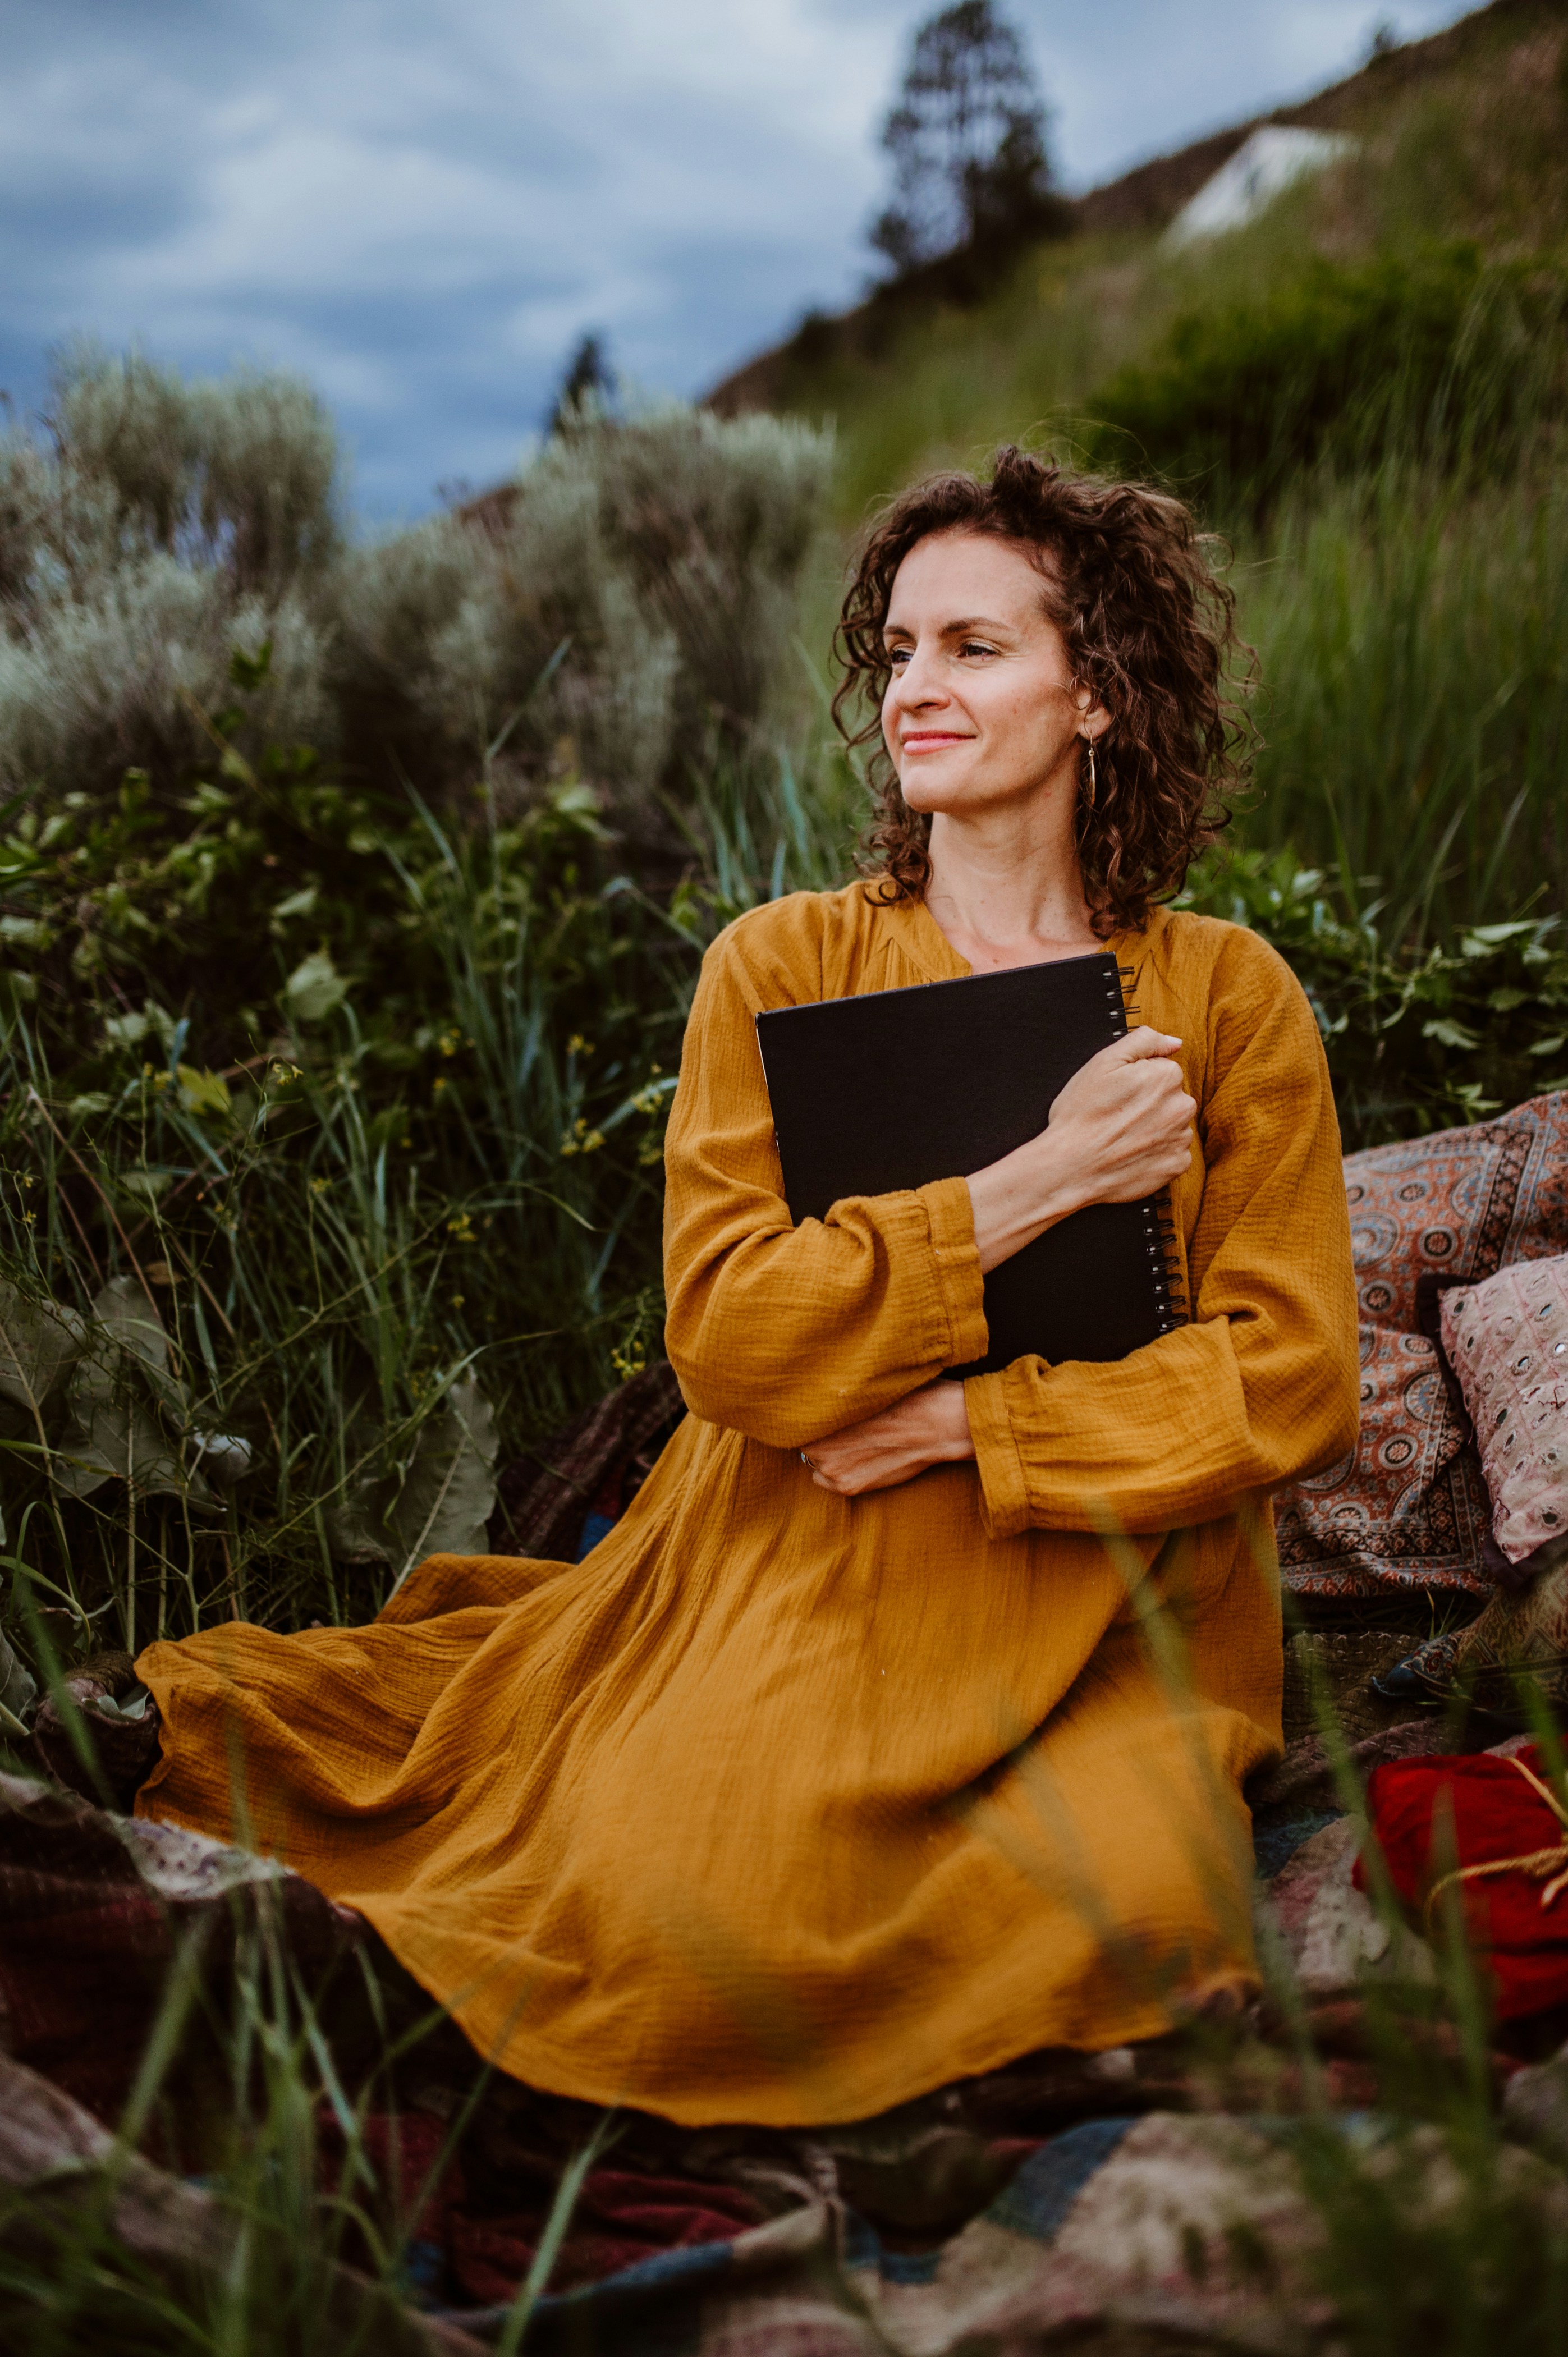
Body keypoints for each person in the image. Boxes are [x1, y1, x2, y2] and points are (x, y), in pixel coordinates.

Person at [136, 448, 1359, 2129]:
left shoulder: (1226, 995)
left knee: (1143, 1918)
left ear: (1096, 694)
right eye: (900, 651)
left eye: (974, 648)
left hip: (1112, 1597)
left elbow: (1289, 1376)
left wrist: (964, 1425)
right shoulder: (780, 965)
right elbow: (730, 1341)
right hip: (807, 1547)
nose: (915, 688)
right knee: (681, 1910)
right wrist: (1044, 1178)